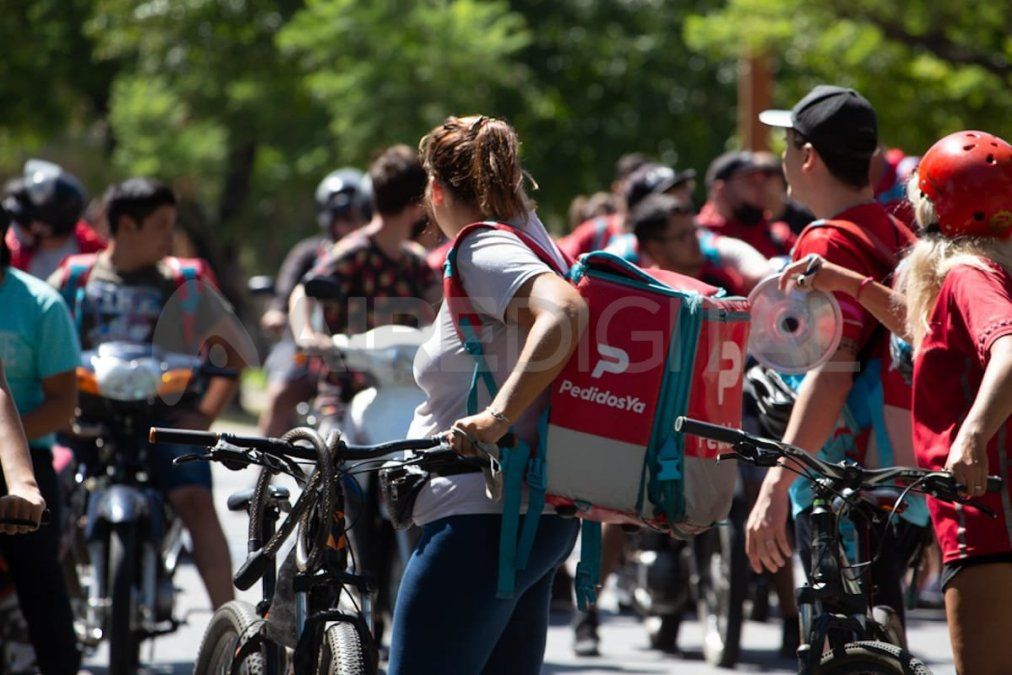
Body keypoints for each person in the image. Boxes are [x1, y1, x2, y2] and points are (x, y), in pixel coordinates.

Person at [781, 130, 1012, 674]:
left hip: (987, 519)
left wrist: (973, 434)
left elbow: (1007, 349)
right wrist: (850, 284)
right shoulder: (985, 272)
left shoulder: (967, 275)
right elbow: (931, 332)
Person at [386, 115, 586, 674]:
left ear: (437, 191)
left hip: (480, 518)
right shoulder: (534, 239)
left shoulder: (481, 249)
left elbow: (566, 311)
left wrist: (496, 416)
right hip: (528, 516)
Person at [746, 85, 927, 632]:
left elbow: (833, 371)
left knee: (845, 643)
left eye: (786, 143)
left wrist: (778, 483)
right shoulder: (895, 230)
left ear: (807, 156)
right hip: (904, 478)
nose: (781, 159)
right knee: (878, 628)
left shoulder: (826, 244)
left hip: (847, 483)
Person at [49, 178, 241, 610]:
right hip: (85, 422)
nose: (171, 237)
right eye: (161, 225)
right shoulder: (74, 278)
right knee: (48, 501)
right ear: (125, 226)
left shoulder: (185, 281)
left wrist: (204, 417)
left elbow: (233, 353)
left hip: (167, 421)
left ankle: (230, 632)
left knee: (195, 502)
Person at [0, 204, 82, 674]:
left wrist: (23, 485)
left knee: (37, 570)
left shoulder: (40, 304)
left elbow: (57, 404)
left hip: (25, 453)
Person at [257, 167, 370, 437]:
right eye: (343, 218)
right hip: (307, 350)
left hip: (360, 352)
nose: (350, 226)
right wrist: (277, 313)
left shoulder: (374, 256)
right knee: (279, 396)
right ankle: (261, 474)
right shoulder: (310, 253)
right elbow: (289, 292)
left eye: (356, 218)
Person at [607, 193, 771, 296]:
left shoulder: (722, 286)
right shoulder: (638, 297)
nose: (696, 240)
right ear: (654, 248)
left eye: (694, 231)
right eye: (682, 236)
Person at [558, 161, 695, 260]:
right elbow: (557, 261)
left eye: (684, 195)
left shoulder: (702, 243)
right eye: (669, 200)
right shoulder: (603, 239)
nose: (683, 204)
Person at [2, 160, 106, 280]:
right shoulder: (11, 249)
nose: (15, 229)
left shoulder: (92, 252)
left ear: (45, 227)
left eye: (23, 223)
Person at [697, 151, 796, 259]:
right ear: (721, 190)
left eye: (761, 181)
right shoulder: (695, 240)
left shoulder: (778, 237)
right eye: (750, 182)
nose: (760, 188)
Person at [753, 151, 815, 235]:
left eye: (767, 174)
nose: (760, 181)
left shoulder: (806, 219)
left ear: (782, 178)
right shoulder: (747, 222)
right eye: (752, 178)